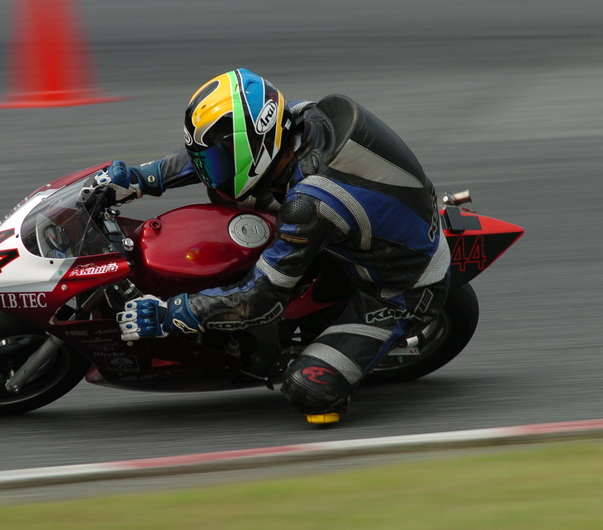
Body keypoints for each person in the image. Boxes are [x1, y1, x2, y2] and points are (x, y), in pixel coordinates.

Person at [109, 68, 450, 423]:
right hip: (359, 230)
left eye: (222, 158)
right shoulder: (297, 118)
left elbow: (260, 299)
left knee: (309, 390)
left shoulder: (309, 204)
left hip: (396, 287)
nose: (214, 169)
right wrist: (142, 178)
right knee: (235, 210)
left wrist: (174, 314)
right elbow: (215, 159)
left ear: (257, 141)